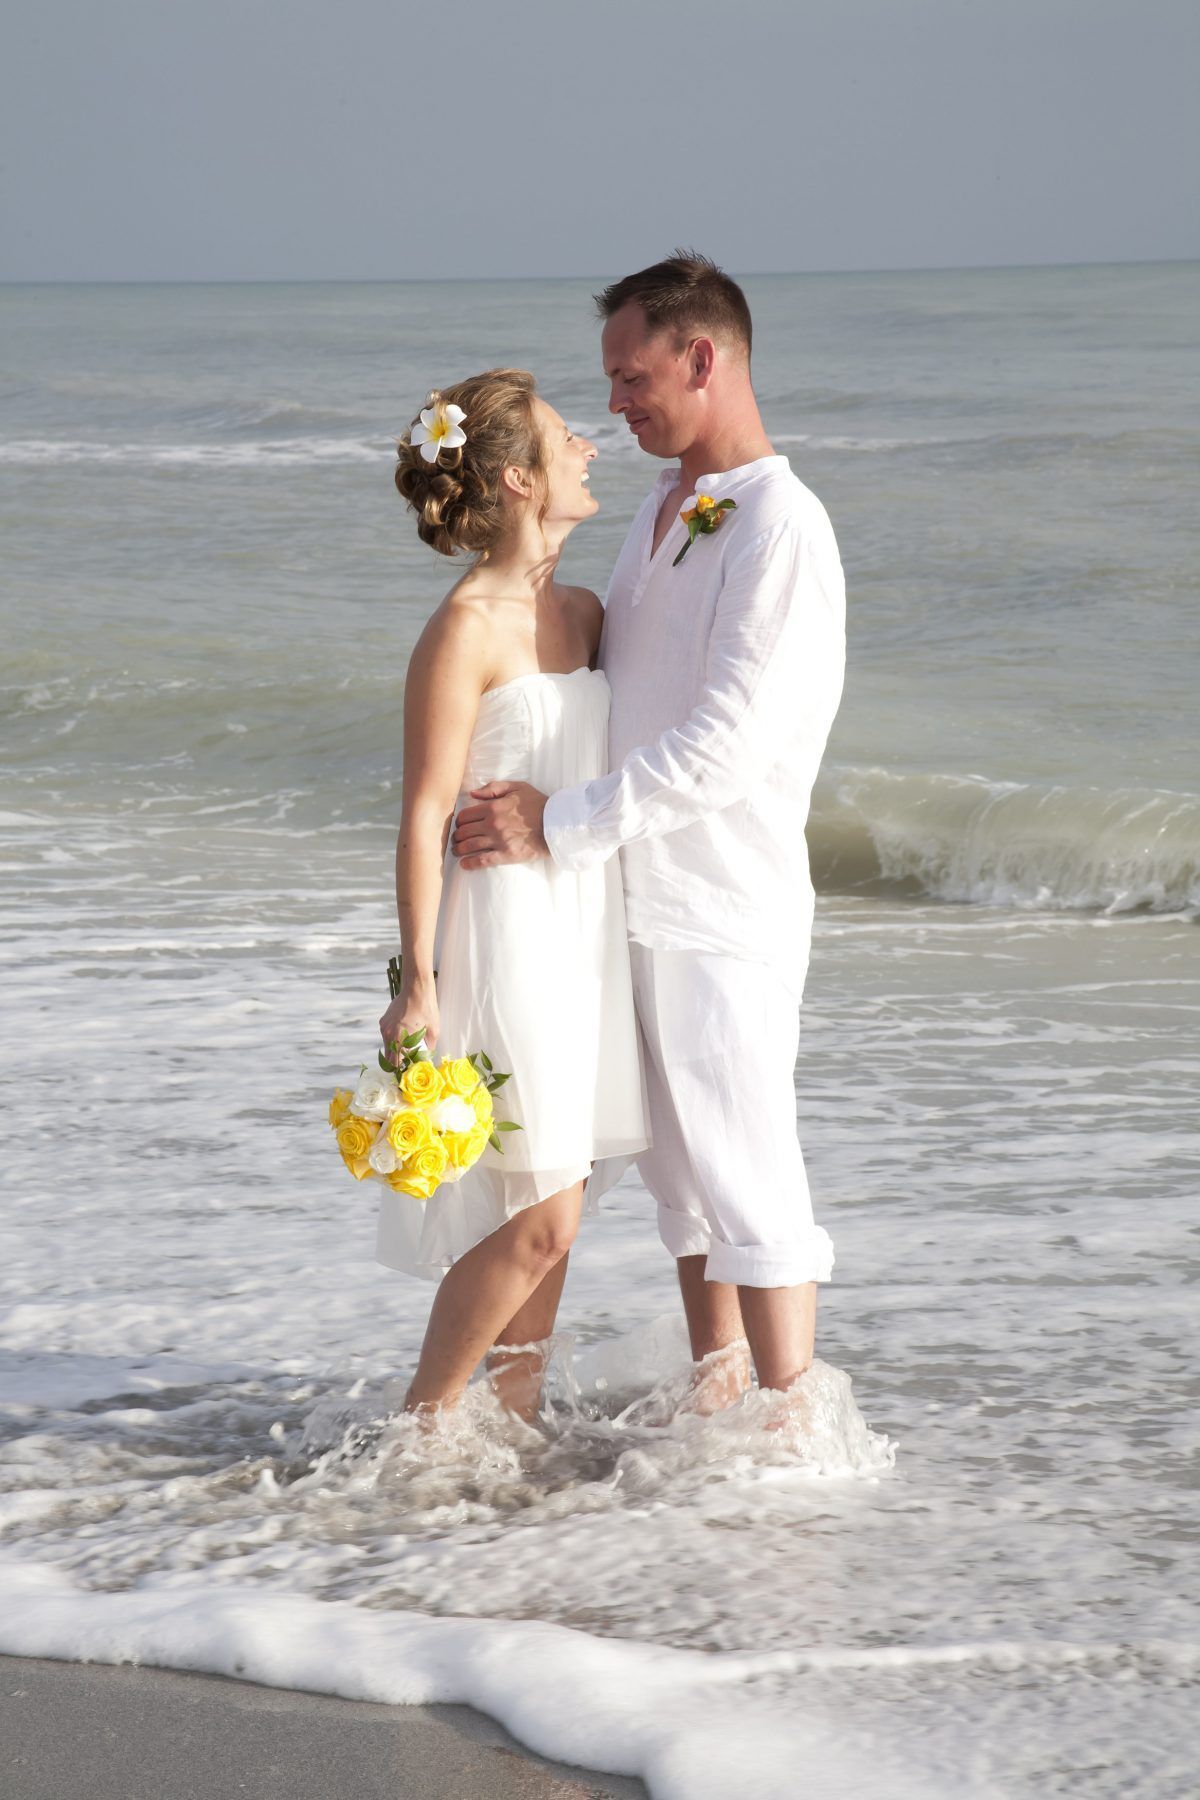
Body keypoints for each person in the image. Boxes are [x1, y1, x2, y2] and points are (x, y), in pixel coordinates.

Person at [451, 255, 846, 1412]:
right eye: (610, 384)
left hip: (725, 905)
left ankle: (794, 1446)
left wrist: (556, 822)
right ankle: (718, 1406)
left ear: (702, 358)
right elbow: (605, 675)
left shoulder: (781, 526)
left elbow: (729, 743)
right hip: (627, 897)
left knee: (751, 1178)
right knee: (685, 1185)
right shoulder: (667, 511)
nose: (616, 404)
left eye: (632, 378)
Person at [376, 369, 647, 1421]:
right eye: (566, 436)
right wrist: (419, 985)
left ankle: (516, 1428)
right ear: (521, 479)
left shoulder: (585, 612)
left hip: (585, 930)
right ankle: (425, 1424)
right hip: (502, 934)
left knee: (556, 1193)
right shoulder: (466, 628)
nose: (590, 445)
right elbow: (421, 813)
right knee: (543, 1214)